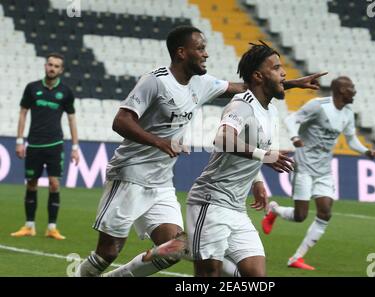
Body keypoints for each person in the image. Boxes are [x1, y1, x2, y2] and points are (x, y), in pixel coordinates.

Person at [76, 26, 326, 277]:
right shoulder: (155, 81)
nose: (206, 54)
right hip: (129, 175)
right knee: (108, 251)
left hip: (161, 182)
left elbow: (247, 86)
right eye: (201, 48)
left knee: (175, 248)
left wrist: (289, 83)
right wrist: (158, 142)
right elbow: (120, 121)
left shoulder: (202, 83)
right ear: (182, 53)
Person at [186, 41, 322, 277]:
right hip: (211, 203)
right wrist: (265, 156)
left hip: (237, 208)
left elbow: (251, 145)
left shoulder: (269, 110)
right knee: (208, 275)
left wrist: (257, 181)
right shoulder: (241, 105)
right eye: (277, 68)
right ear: (259, 76)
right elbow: (223, 139)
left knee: (256, 277)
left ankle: (188, 248)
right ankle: (187, 248)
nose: (283, 73)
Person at [262, 76, 375, 270]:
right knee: (301, 216)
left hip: (324, 170)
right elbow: (291, 119)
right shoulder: (318, 105)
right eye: (351, 88)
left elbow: (350, 140)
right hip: (304, 167)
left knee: (325, 212)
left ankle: (296, 258)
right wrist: (295, 137)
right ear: (341, 91)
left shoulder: (348, 113)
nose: (355, 92)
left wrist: (365, 150)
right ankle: (274, 210)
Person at [11, 52, 80, 240]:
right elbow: (23, 113)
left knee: (54, 183)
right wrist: (19, 141)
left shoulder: (66, 92)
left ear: (61, 70)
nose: (52, 68)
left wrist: (75, 147)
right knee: (31, 183)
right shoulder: (32, 88)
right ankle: (29, 226)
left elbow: (72, 119)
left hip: (55, 144)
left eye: (56, 66)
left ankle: (51, 227)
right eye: (50, 64)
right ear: (45, 66)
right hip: (33, 144)